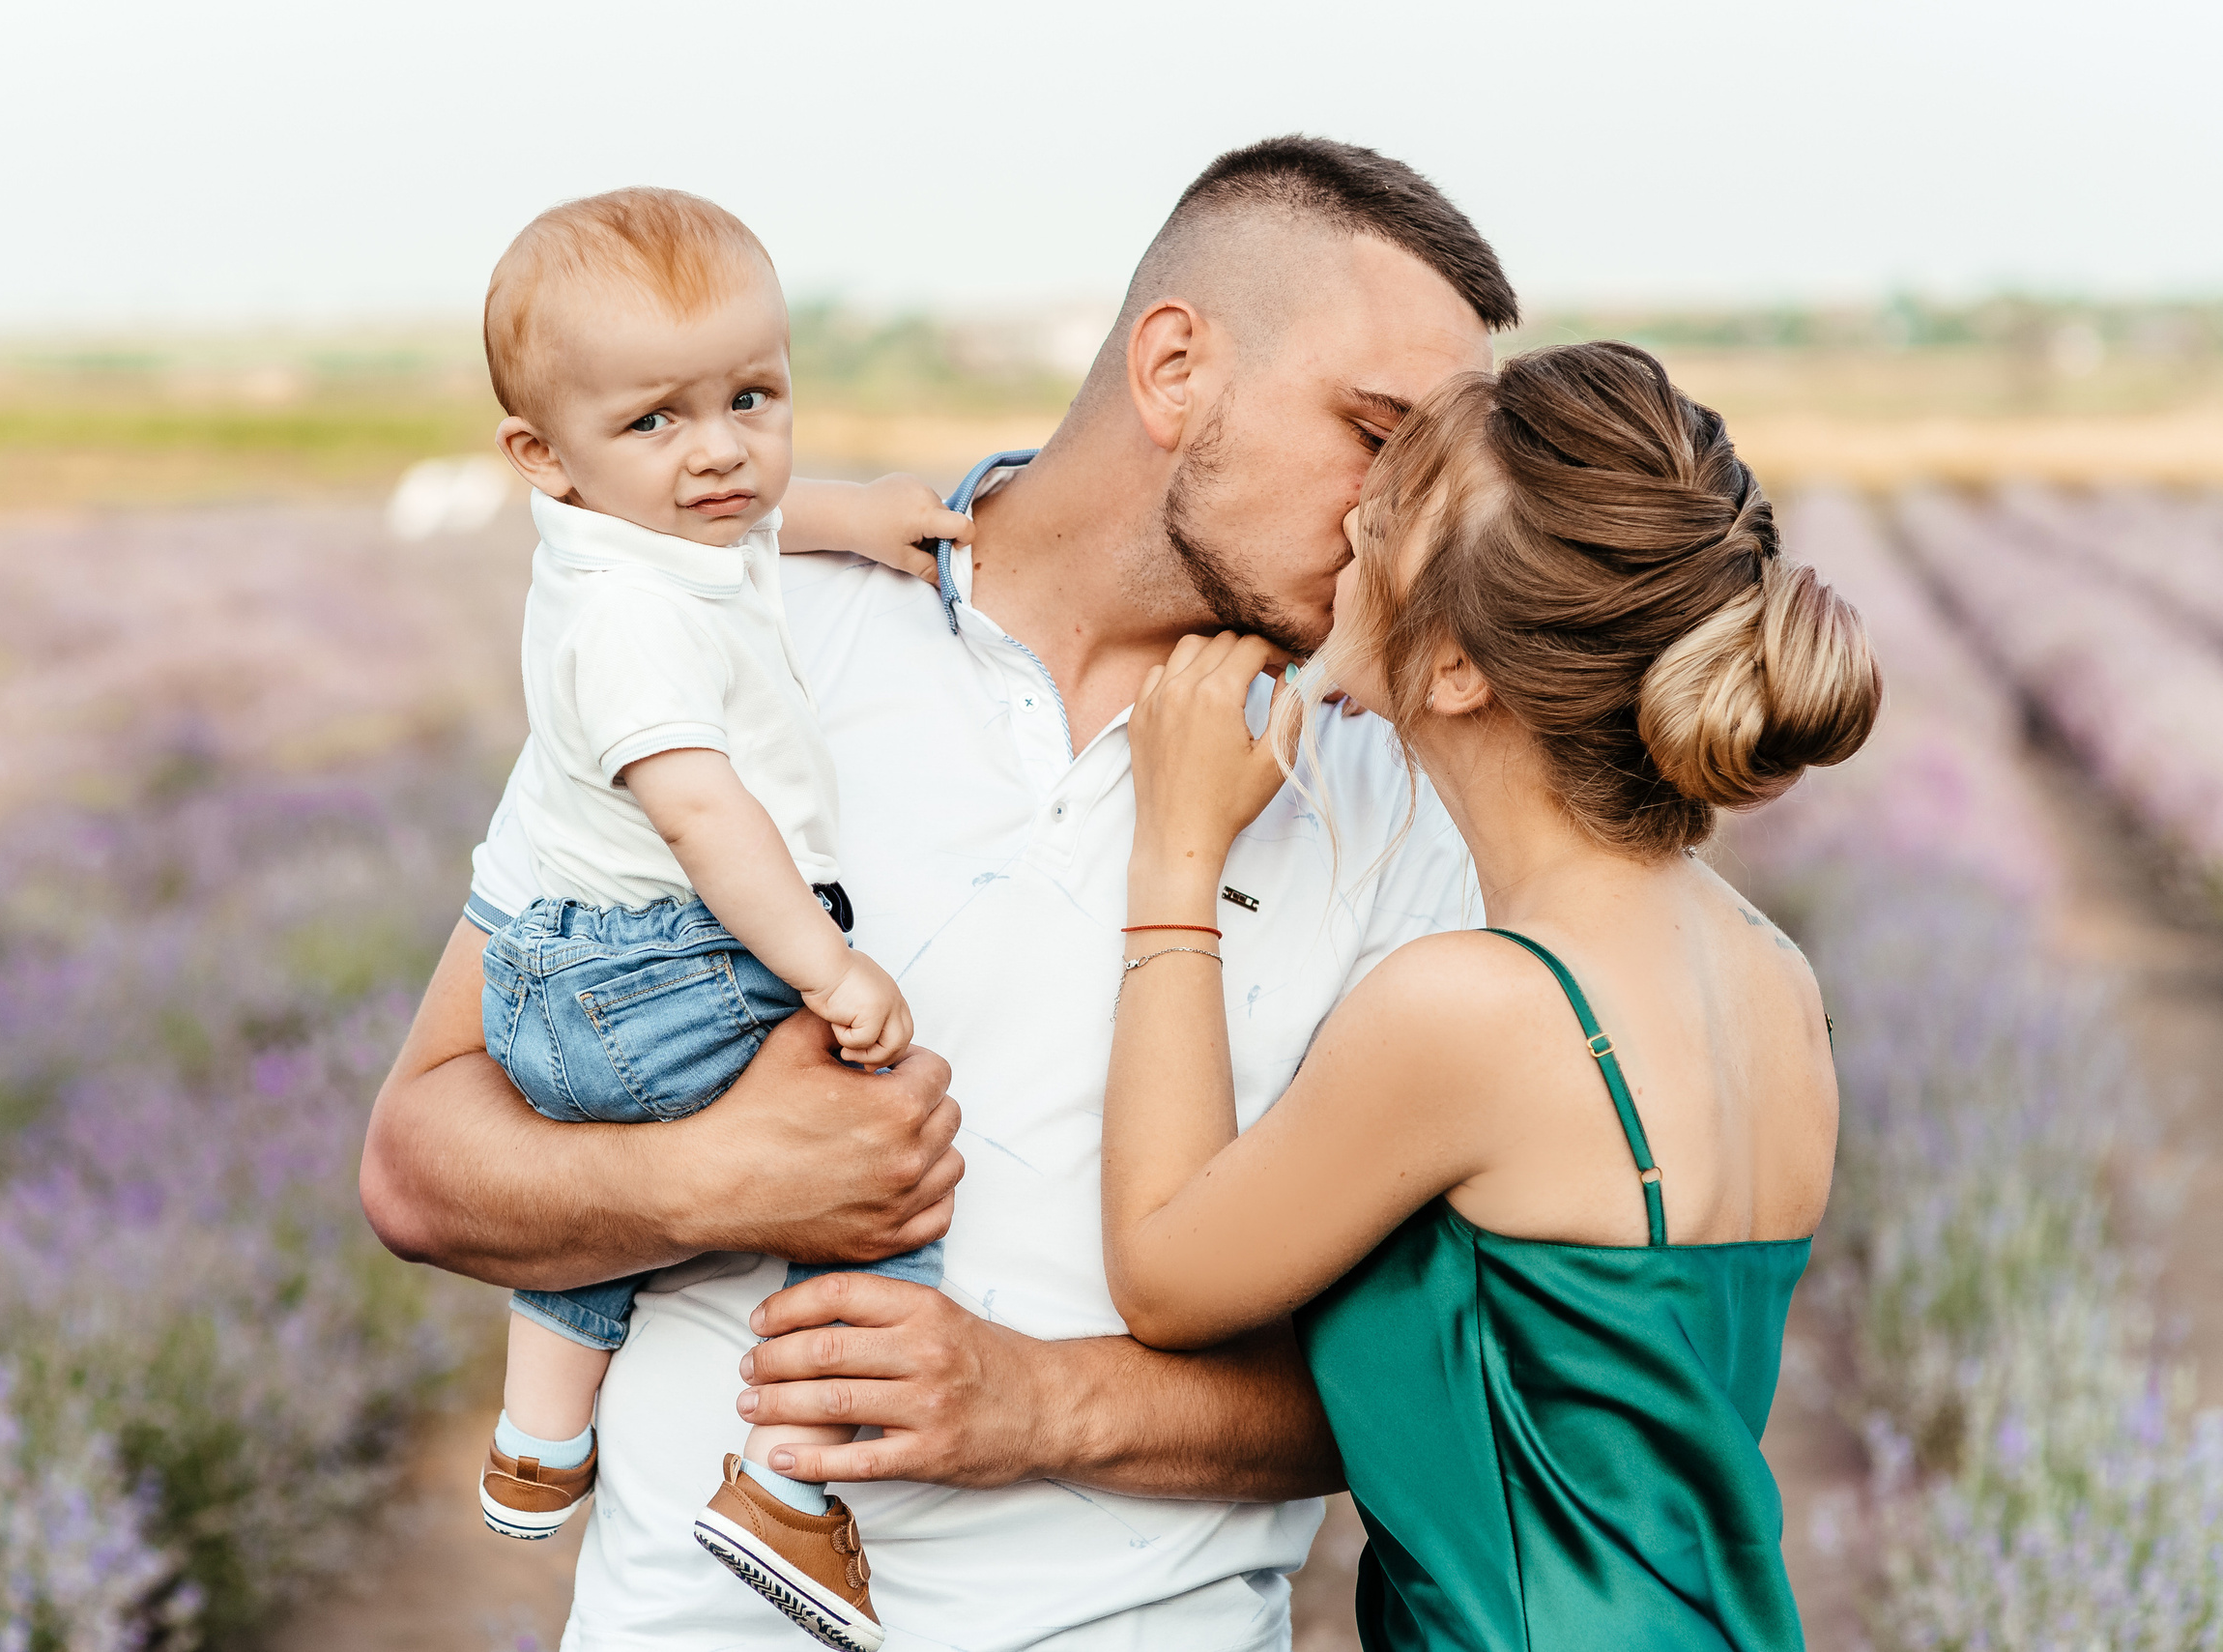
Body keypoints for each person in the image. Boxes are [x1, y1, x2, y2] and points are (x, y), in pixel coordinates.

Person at [361, 135, 1518, 1650]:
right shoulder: (737, 629)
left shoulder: (1401, 786)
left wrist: (1041, 1404)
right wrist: (723, 1175)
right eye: (1376, 438)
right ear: (1175, 369)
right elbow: (418, 1157)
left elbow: (1445, 1396)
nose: (1404, 525)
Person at [1101, 341, 1878, 1650]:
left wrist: (1175, 853)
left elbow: (1164, 1272)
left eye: (1390, 510)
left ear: (1459, 668)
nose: (1350, 519)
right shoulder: (1774, 975)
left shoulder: (1480, 1010)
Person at [466, 186, 985, 1645]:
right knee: (877, 1159)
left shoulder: (644, 534)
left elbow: (754, 518)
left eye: (752, 397)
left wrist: (861, 516)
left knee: (607, 1201)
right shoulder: (626, 625)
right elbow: (708, 819)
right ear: (543, 456)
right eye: (659, 421)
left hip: (554, 986)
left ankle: (539, 1439)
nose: (720, 450)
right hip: (650, 970)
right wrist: (828, 967)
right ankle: (782, 1487)